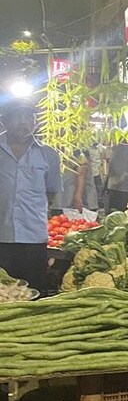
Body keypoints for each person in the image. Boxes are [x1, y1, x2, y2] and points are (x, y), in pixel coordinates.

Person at [0, 99, 62, 293]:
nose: (24, 121)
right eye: (18, 116)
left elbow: (50, 191)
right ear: (5, 121)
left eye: (29, 116)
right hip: (2, 236)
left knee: (34, 291)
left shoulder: (48, 154)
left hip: (33, 238)